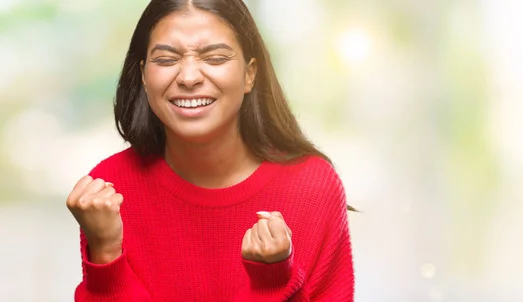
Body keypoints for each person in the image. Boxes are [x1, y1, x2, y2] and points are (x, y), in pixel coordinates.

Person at [65, 0, 355, 301]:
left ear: (249, 74)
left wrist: (270, 282)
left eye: (215, 58)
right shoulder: (109, 192)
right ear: (142, 75)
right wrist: (106, 253)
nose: (189, 78)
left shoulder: (313, 188)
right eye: (166, 60)